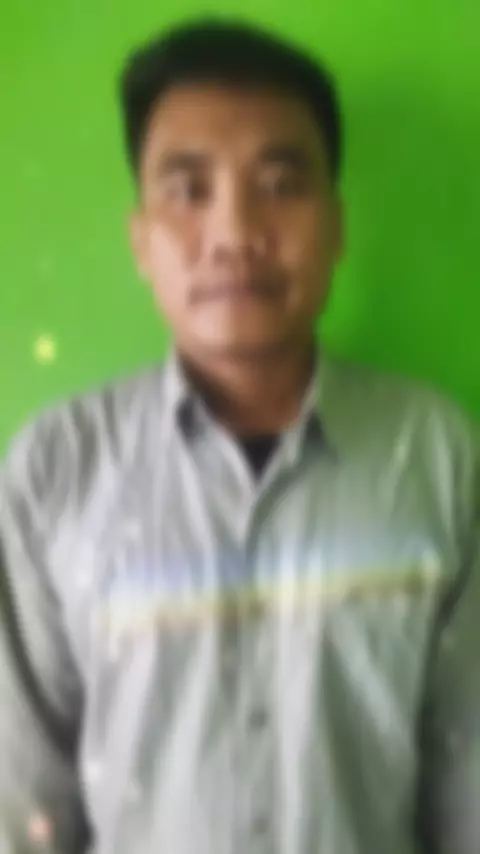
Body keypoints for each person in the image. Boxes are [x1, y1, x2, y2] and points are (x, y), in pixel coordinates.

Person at [0, 17, 478, 854]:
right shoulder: (56, 469)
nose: (234, 234)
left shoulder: (435, 453)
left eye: (281, 184)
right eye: (189, 191)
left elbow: (467, 776)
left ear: (336, 226)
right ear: (141, 241)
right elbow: (22, 796)